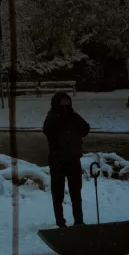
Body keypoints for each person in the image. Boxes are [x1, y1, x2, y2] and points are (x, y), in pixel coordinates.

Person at [43, 92, 90, 228]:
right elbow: (47, 130)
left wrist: (71, 119)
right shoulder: (52, 117)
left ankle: (79, 220)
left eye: (67, 102)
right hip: (58, 160)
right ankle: (60, 221)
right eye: (62, 102)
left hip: (73, 159)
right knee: (58, 193)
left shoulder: (73, 117)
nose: (65, 105)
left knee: (76, 192)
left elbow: (85, 129)